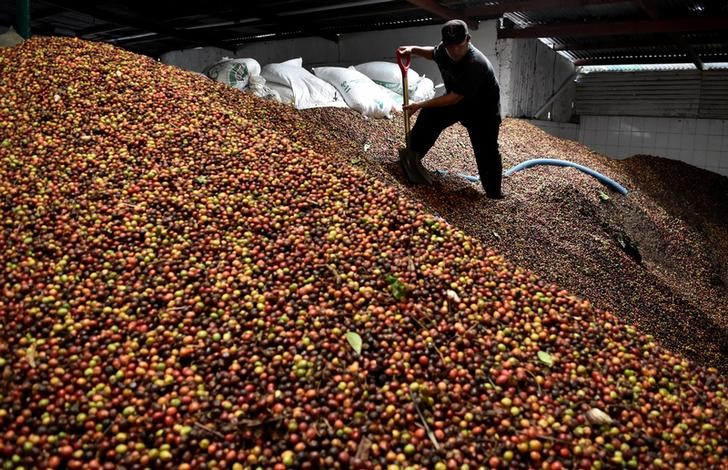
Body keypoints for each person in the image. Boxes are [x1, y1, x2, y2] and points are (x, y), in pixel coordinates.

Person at [397, 19, 504, 198]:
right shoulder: (445, 50)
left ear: (467, 39)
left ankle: (494, 193)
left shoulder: (476, 64)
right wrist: (413, 49)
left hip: (483, 112)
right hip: (460, 103)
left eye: (458, 45)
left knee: (486, 152)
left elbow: (454, 98)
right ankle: (412, 156)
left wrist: (418, 104)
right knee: (430, 115)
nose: (454, 50)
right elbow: (433, 53)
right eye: (449, 46)